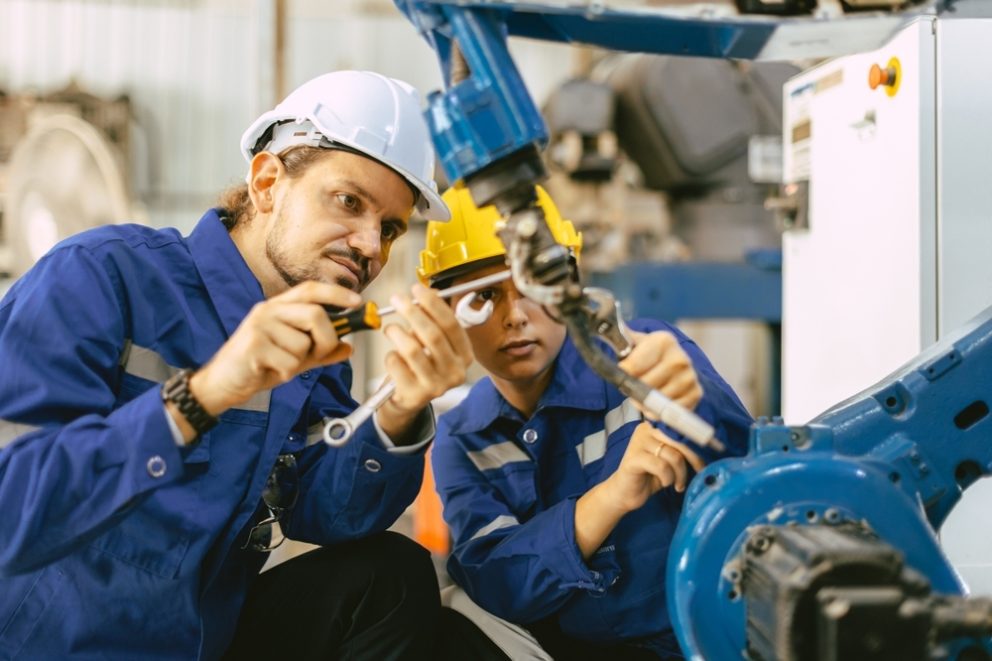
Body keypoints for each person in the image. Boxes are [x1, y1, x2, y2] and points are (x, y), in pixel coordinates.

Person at [0, 70, 474, 660]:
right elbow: (12, 507)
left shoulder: (316, 347)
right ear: (267, 181)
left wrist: (401, 409)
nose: (371, 246)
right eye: (350, 202)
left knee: (392, 574)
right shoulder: (100, 277)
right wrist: (206, 393)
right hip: (59, 643)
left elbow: (329, 513)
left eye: (390, 228)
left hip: (200, 638)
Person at [420, 183, 754, 660]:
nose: (514, 316)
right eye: (484, 297)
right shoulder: (463, 437)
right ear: (449, 312)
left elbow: (749, 484)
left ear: (569, 285)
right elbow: (496, 579)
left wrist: (695, 406)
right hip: (564, 651)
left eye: (534, 285)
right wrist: (611, 497)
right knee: (451, 612)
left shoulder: (643, 358)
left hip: (698, 642)